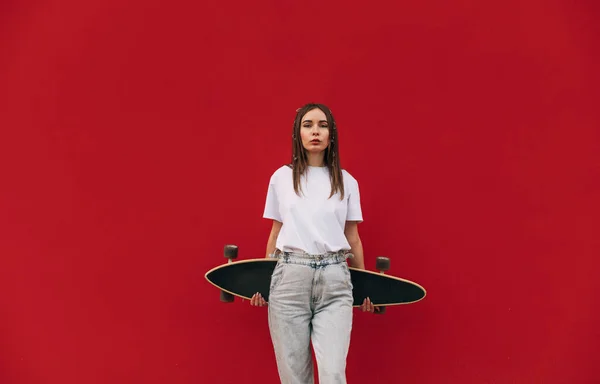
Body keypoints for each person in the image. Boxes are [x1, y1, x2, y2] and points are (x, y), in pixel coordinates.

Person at [250, 103, 376, 384]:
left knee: (333, 374)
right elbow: (276, 231)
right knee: (294, 376)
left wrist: (367, 285)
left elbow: (352, 237)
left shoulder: (346, 182)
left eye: (322, 125)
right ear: (298, 133)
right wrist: (262, 279)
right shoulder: (281, 178)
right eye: (308, 125)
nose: (315, 131)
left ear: (332, 134)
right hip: (289, 278)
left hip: (335, 279)